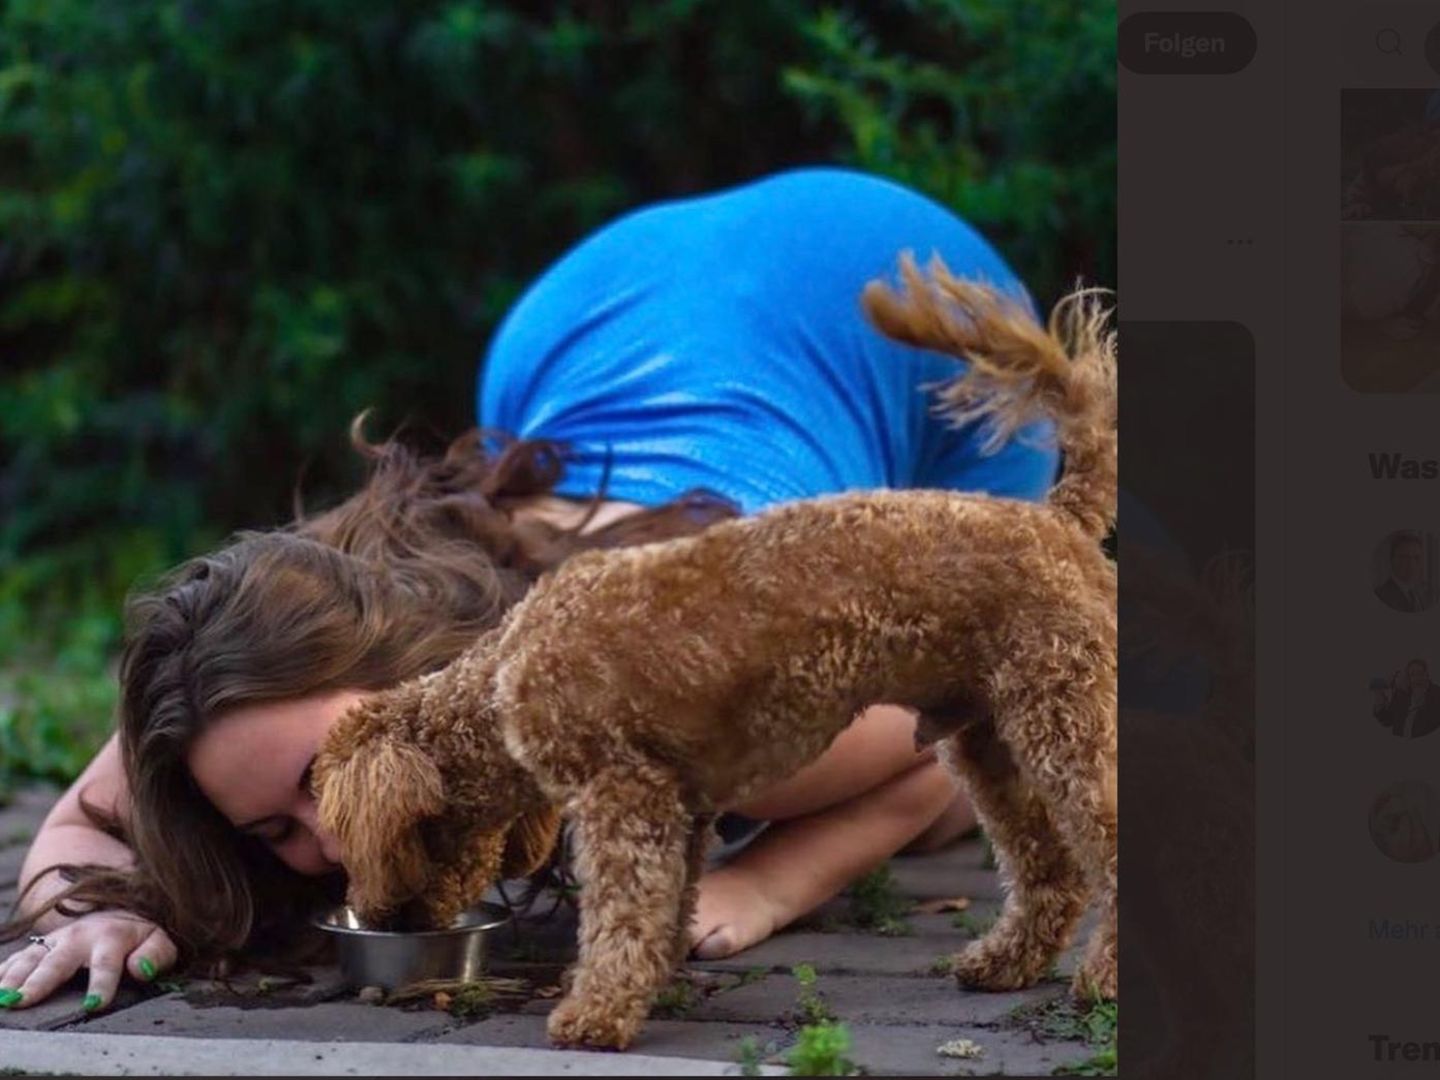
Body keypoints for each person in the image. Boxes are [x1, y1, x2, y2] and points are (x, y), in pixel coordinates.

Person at [0, 167, 1061, 1012]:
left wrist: (767, 883)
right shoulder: (275, 666)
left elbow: (942, 744)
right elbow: (90, 820)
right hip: (595, 312)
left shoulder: (682, 677)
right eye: (276, 832)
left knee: (957, 744)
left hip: (909, 315)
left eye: (325, 777)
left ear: (411, 660)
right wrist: (85, 916)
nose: (326, 848)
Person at [1373, 659, 1440, 739]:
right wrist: (1379, 694)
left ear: (1427, 675)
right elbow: (1387, 720)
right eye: (1412, 674)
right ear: (1408, 678)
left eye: (1420, 673)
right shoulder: (1402, 695)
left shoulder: (1436, 694)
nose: (1417, 678)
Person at [1374, 531, 1434, 612]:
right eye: (1404, 557)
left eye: (1416, 558)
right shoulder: (1381, 596)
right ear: (1392, 560)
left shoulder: (1421, 593)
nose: (1411, 564)